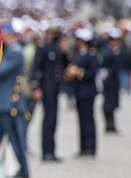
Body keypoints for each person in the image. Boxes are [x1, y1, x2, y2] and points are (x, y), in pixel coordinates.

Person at [0, 21, 30, 178]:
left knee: (14, 138)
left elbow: (0, 71)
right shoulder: (10, 51)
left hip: (10, 103)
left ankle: (23, 169)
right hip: (4, 103)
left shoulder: (15, 52)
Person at [31, 23, 68, 161]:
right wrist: (36, 87)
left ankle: (51, 150)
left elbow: (64, 65)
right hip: (46, 86)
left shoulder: (58, 48)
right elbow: (36, 69)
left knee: (54, 119)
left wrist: (65, 53)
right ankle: (46, 151)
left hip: (55, 87)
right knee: (48, 118)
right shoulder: (43, 48)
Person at [67, 27, 100, 158]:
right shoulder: (79, 54)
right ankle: (83, 147)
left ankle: (90, 147)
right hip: (79, 90)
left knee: (88, 120)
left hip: (88, 90)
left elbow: (92, 73)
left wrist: (78, 72)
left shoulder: (91, 55)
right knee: (81, 120)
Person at [99, 28, 126, 134]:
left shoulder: (118, 51)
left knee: (113, 104)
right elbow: (104, 67)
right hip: (109, 80)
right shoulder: (107, 51)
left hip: (115, 81)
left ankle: (112, 124)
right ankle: (108, 124)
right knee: (108, 104)